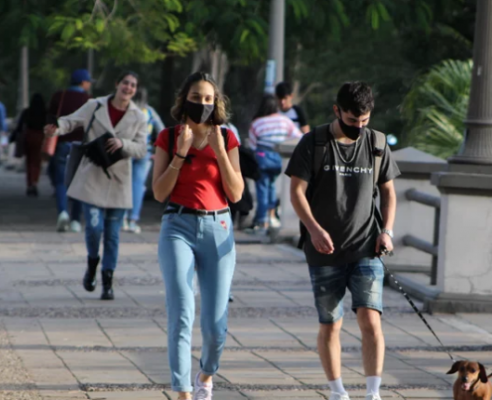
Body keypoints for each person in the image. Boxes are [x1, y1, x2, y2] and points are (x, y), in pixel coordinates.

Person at [285, 82, 400, 400]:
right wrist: (314, 229)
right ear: (337, 111)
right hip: (324, 251)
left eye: (364, 121)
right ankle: (337, 392)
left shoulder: (376, 143)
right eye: (352, 121)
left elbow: (389, 192)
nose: (359, 128)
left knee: (370, 319)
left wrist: (386, 231)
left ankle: (372, 393)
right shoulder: (314, 142)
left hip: (366, 248)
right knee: (331, 323)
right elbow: (296, 191)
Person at [152, 72, 243, 400]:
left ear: (216, 102)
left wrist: (219, 152)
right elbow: (159, 192)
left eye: (208, 98)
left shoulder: (227, 137)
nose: (202, 103)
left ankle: (206, 373)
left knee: (215, 326)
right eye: (196, 97)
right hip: (177, 227)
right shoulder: (168, 136)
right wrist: (180, 153)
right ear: (184, 99)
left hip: (218, 229)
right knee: (181, 312)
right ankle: (183, 391)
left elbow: (236, 195)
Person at [44, 71, 148, 301]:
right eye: (125, 83)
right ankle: (92, 263)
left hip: (119, 182)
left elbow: (142, 149)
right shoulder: (95, 105)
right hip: (91, 178)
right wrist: (56, 128)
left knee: (112, 236)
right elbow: (71, 121)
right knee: (94, 229)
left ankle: (107, 280)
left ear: (135, 90)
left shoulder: (139, 117)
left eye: (132, 85)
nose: (128, 88)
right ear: (117, 84)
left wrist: (124, 144)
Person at [247, 94, 302, 234]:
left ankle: (262, 220)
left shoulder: (257, 122)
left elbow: (253, 145)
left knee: (262, 188)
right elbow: (298, 136)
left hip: (262, 158)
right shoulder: (284, 121)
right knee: (271, 186)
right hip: (278, 159)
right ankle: (272, 216)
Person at [47, 69, 92, 232]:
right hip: (82, 146)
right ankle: (75, 220)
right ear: (83, 83)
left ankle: (62, 213)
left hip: (61, 143)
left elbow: (51, 118)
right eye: (88, 82)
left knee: (60, 181)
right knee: (78, 183)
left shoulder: (60, 96)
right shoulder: (88, 100)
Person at [123, 87, 165, 234]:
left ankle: (122, 218)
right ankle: (133, 220)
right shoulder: (149, 111)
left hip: (126, 150)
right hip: (144, 151)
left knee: (124, 184)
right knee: (138, 186)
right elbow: (161, 131)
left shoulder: (127, 109)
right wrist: (157, 151)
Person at [13, 93, 46, 196]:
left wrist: (14, 137)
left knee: (29, 161)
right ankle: (35, 182)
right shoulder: (45, 113)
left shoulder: (27, 111)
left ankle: (30, 183)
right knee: (37, 162)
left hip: (29, 136)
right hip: (41, 137)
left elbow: (20, 126)